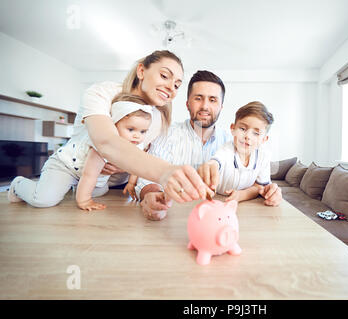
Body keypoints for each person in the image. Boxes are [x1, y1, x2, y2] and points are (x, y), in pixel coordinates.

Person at [8, 93, 161, 209]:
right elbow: (89, 175)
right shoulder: (103, 144)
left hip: (85, 174)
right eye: (131, 129)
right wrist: (84, 201)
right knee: (43, 200)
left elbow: (138, 163)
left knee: (100, 190)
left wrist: (132, 182)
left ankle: (69, 187)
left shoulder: (135, 144)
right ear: (114, 125)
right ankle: (18, 184)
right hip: (65, 166)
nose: (137, 136)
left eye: (142, 132)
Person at [135, 70, 231, 220]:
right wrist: (151, 193)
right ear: (187, 104)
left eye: (212, 100)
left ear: (221, 107)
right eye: (198, 98)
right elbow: (148, 177)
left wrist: (267, 189)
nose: (205, 106)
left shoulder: (231, 141)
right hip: (174, 219)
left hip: (218, 219)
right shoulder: (167, 134)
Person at [199, 101, 282, 206]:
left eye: (256, 133)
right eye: (242, 129)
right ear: (232, 129)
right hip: (218, 200)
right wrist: (211, 165)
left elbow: (259, 187)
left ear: (264, 139)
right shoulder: (227, 150)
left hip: (242, 204)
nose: (247, 136)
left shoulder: (263, 156)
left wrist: (241, 195)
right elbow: (216, 162)